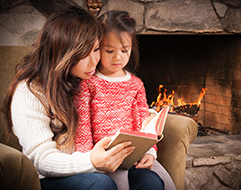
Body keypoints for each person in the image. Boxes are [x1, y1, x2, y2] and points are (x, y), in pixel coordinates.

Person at [2, 6, 136, 190]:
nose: (93, 61)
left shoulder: (84, 78)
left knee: (146, 178)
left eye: (96, 49)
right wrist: (92, 161)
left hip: (93, 166)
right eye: (82, 55)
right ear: (62, 54)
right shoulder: (29, 91)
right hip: (47, 178)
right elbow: (42, 159)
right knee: (100, 184)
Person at [74, 10, 176, 190]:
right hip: (105, 159)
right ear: (97, 47)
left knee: (154, 182)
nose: (117, 57)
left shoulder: (136, 84)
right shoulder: (89, 84)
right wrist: (90, 161)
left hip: (134, 156)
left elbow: (144, 123)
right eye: (109, 50)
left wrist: (151, 152)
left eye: (124, 50)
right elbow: (83, 127)